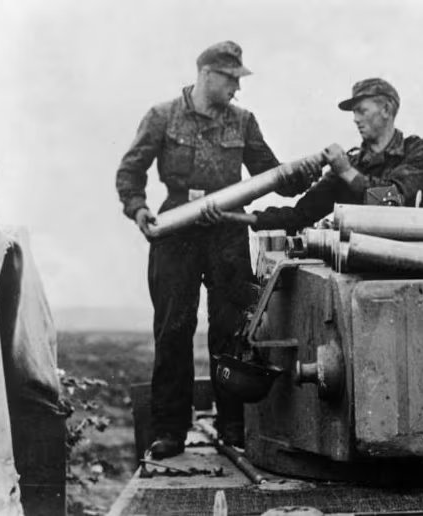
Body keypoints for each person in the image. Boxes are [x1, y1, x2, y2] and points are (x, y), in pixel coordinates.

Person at [115, 41, 318, 459]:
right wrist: (138, 210)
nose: (236, 90)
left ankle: (233, 425)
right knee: (173, 329)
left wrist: (310, 174)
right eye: (231, 80)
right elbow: (129, 171)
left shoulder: (244, 122)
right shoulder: (162, 116)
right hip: (177, 229)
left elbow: (271, 173)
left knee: (230, 329)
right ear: (207, 74)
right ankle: (170, 430)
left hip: (226, 229)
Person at [210, 78, 423, 232]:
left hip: (405, 266)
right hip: (360, 265)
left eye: (361, 110)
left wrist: (346, 171)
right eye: (354, 112)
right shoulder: (351, 164)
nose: (355, 119)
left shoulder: (416, 150)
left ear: (386, 110)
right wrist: (236, 217)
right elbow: (300, 215)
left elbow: (391, 202)